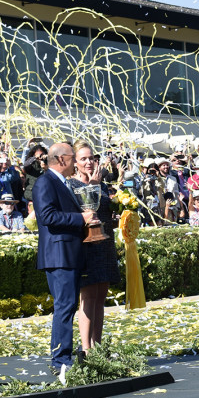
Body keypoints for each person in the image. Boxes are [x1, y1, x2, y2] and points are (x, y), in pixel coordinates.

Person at [34, 142, 96, 384]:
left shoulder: (62, 183)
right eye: (73, 158)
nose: (77, 162)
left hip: (69, 253)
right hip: (58, 254)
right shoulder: (45, 182)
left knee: (68, 306)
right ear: (61, 159)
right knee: (65, 306)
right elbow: (47, 216)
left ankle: (62, 357)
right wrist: (80, 218)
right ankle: (60, 359)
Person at [69, 141, 121, 357]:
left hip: (105, 244)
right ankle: (86, 349)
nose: (89, 162)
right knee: (88, 297)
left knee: (101, 297)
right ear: (75, 162)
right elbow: (87, 211)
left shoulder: (100, 182)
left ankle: (97, 347)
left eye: (91, 158)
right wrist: (93, 184)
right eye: (83, 158)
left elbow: (103, 209)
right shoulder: (71, 185)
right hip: (87, 246)